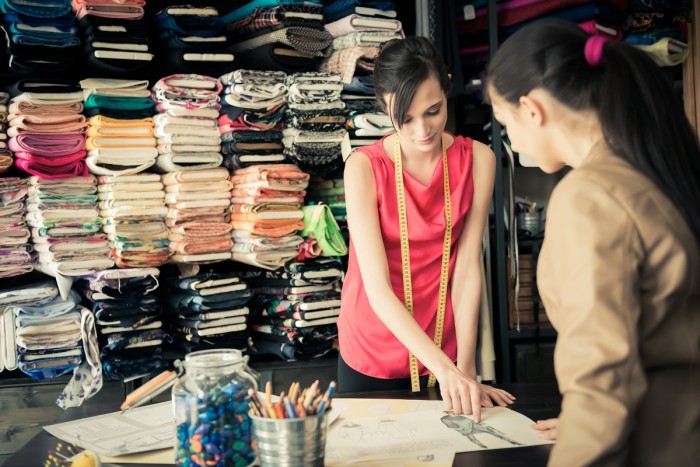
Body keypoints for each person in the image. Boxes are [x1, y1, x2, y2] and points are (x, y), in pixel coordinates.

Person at [486, 19, 700, 467]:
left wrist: (591, 425)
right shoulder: (651, 171)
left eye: (504, 122)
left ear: (532, 109)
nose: (510, 139)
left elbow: (602, 385)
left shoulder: (589, 197)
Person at [338, 36, 514, 421]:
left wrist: (465, 368)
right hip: (371, 350)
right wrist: (446, 369)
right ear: (384, 105)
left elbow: (468, 268)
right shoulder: (363, 168)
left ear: (448, 85)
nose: (422, 131)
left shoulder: (479, 160)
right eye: (405, 118)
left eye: (434, 111)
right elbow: (377, 288)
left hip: (445, 350)